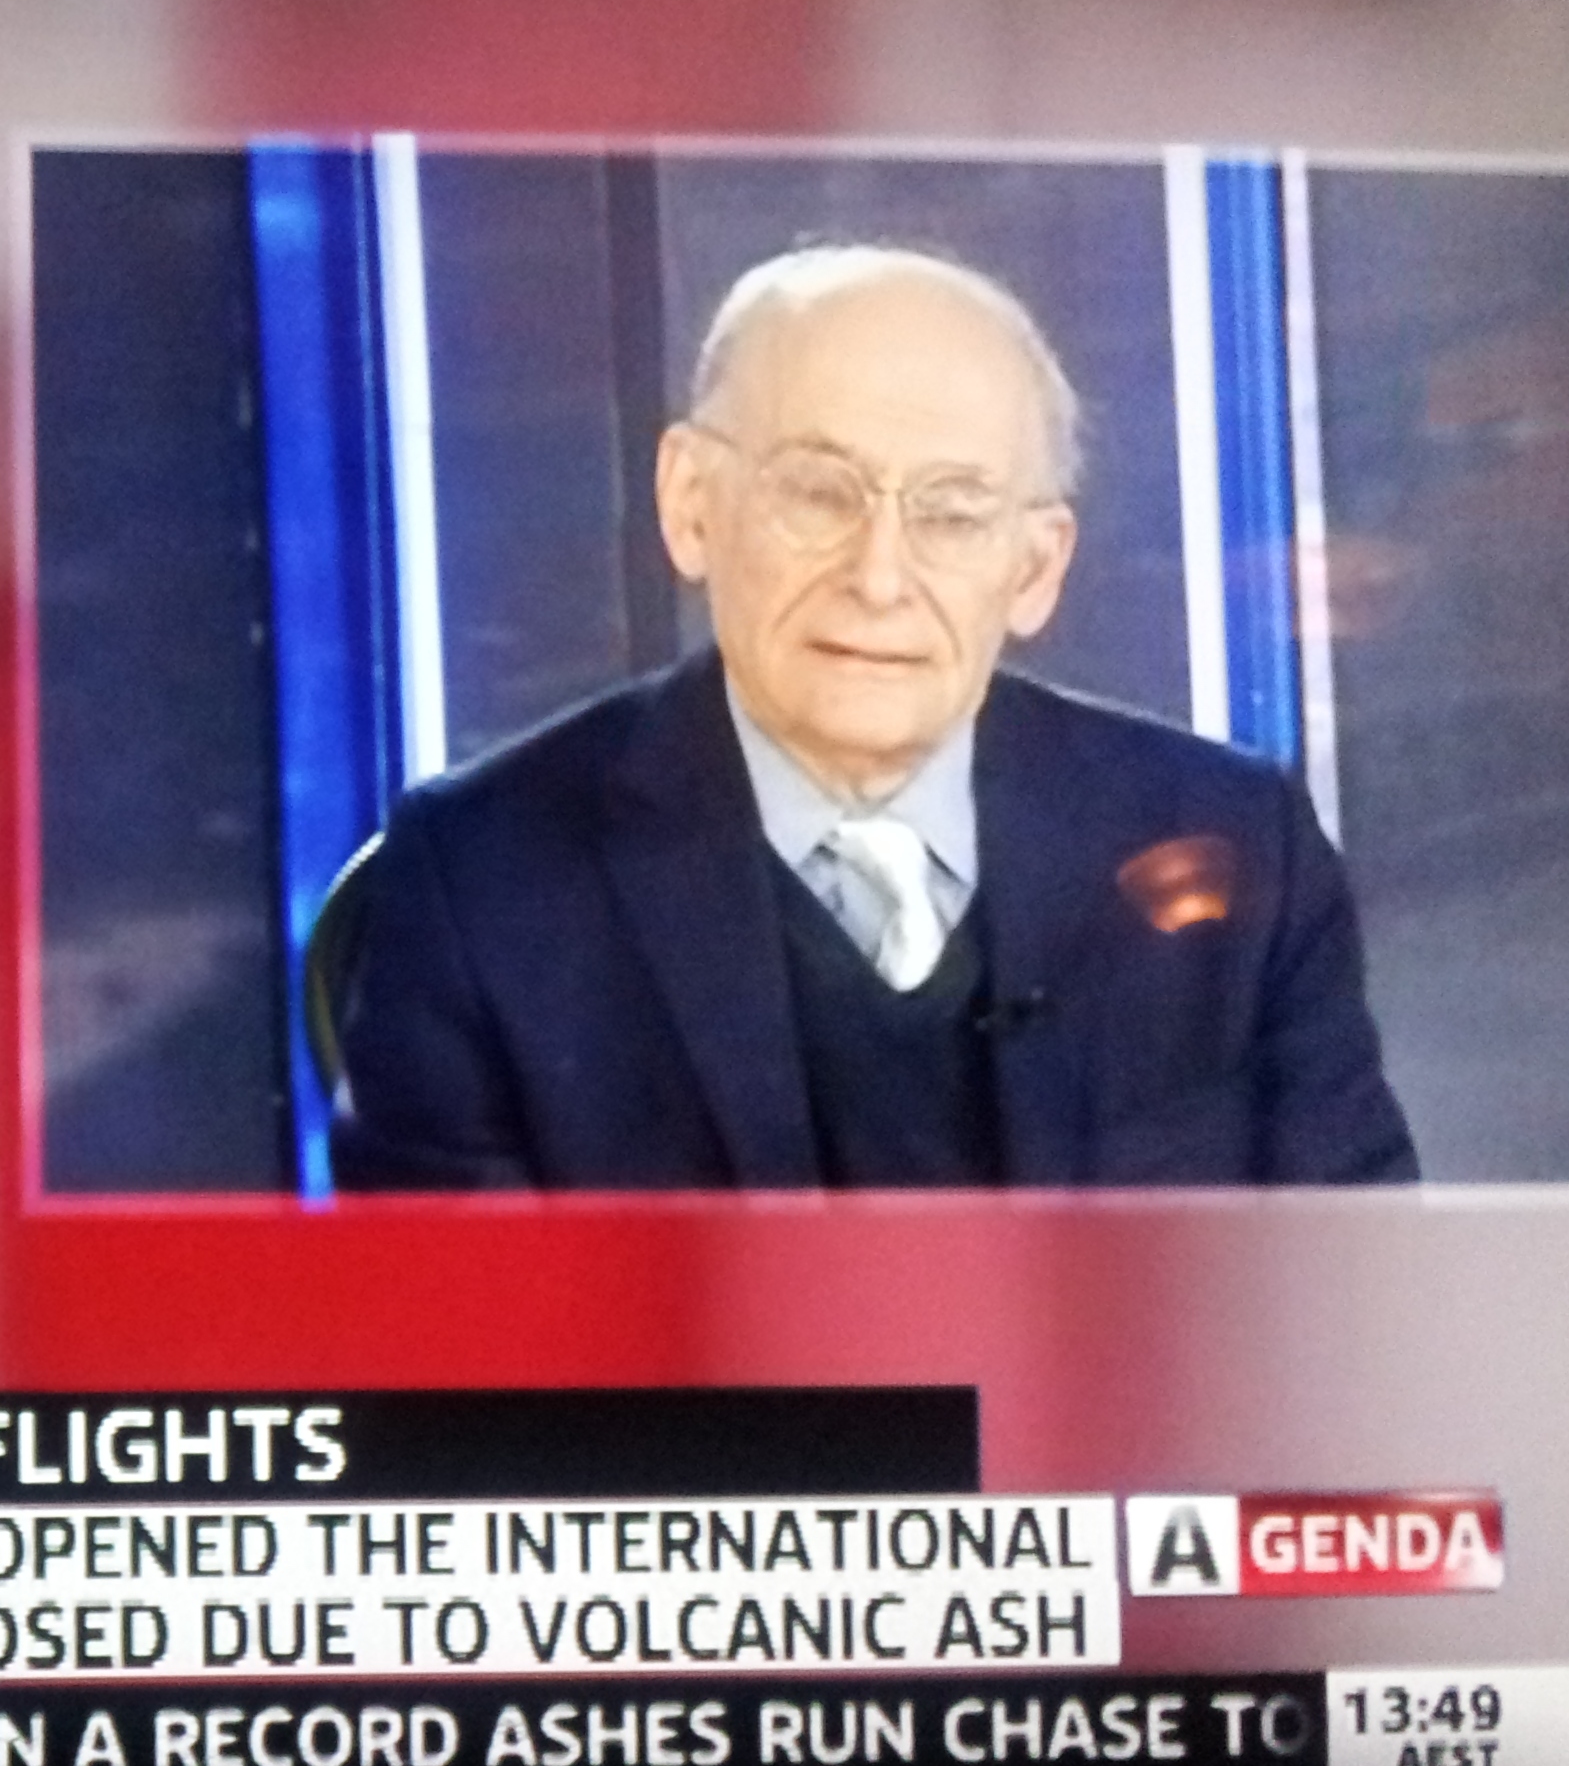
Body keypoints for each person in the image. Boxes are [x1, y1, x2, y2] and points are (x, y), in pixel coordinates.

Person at [332, 243, 1417, 1190]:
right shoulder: (478, 883)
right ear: (690, 504)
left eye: (952, 513)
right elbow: (455, 1347)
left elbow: (1357, 1312)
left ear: (1034, 568)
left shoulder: (1239, 850)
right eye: (817, 493)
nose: (880, 578)